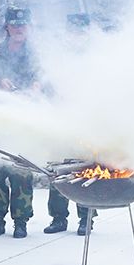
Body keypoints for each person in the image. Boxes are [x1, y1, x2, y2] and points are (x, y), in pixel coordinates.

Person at [0, 6, 40, 238]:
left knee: (21, 170)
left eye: (23, 25)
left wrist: (35, 87)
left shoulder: (36, 54)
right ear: (6, 26)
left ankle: (21, 221)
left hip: (23, 121)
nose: (18, 29)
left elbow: (42, 74)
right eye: (14, 25)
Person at [43, 13, 96, 237]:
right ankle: (58, 217)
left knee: (84, 169)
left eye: (81, 30)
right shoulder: (58, 55)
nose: (77, 34)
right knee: (59, 168)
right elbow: (47, 82)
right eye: (74, 30)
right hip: (60, 118)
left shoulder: (96, 56)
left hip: (86, 121)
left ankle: (86, 219)